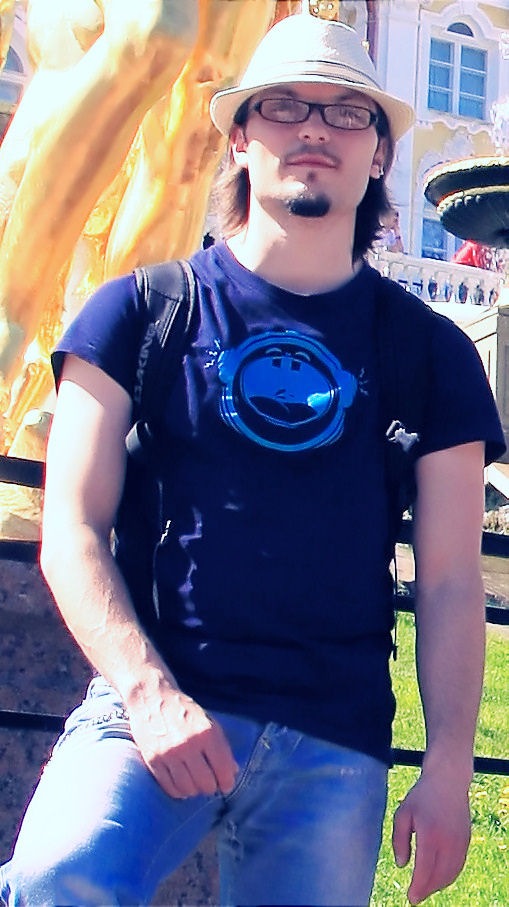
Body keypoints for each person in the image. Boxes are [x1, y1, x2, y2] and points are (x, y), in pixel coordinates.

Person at [1, 13, 505, 907]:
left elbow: (451, 581)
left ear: (379, 154)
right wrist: (147, 693)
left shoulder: (432, 354)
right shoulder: (137, 312)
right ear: (238, 137)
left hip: (332, 739)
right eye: (282, 106)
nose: (313, 129)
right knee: (55, 880)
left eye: (345, 113)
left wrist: (447, 766)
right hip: (150, 707)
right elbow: (69, 527)